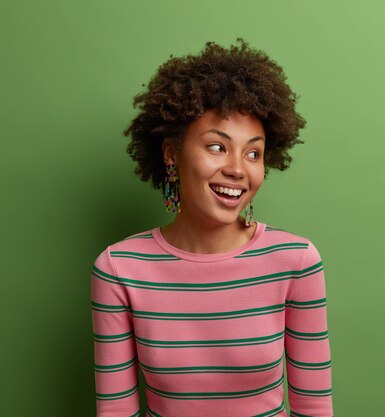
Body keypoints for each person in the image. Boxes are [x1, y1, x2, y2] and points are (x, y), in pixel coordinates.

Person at [90, 38, 334, 417]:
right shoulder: (119, 269)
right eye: (217, 147)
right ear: (172, 153)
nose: (238, 168)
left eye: (253, 152)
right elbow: (115, 411)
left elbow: (314, 407)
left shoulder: (295, 261)